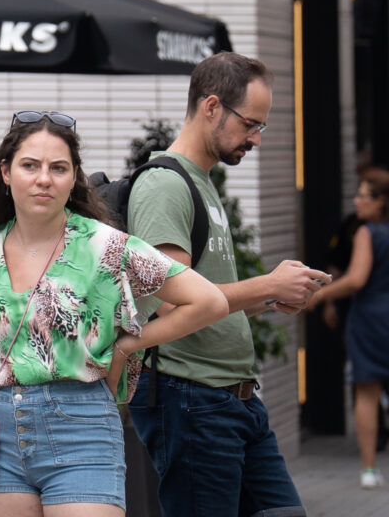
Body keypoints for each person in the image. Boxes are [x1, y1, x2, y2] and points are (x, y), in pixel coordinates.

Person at [0, 111, 229, 517]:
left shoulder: (106, 247)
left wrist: (126, 346)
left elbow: (209, 301)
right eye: (30, 166)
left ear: (73, 179)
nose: (44, 179)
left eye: (58, 168)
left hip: (81, 426)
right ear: (6, 173)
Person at [125, 51, 328, 517]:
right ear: (211, 106)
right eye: (250, 123)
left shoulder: (201, 181)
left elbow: (209, 299)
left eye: (261, 126)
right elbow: (169, 306)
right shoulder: (165, 186)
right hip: (192, 397)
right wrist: (266, 284)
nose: (255, 138)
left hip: (231, 399)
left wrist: (271, 296)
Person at [307, 166, 389, 490]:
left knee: (367, 392)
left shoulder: (368, 233)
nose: (356, 201)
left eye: (363, 195)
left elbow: (356, 279)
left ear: (381, 201)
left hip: (372, 319)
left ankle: (368, 469)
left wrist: (319, 295)